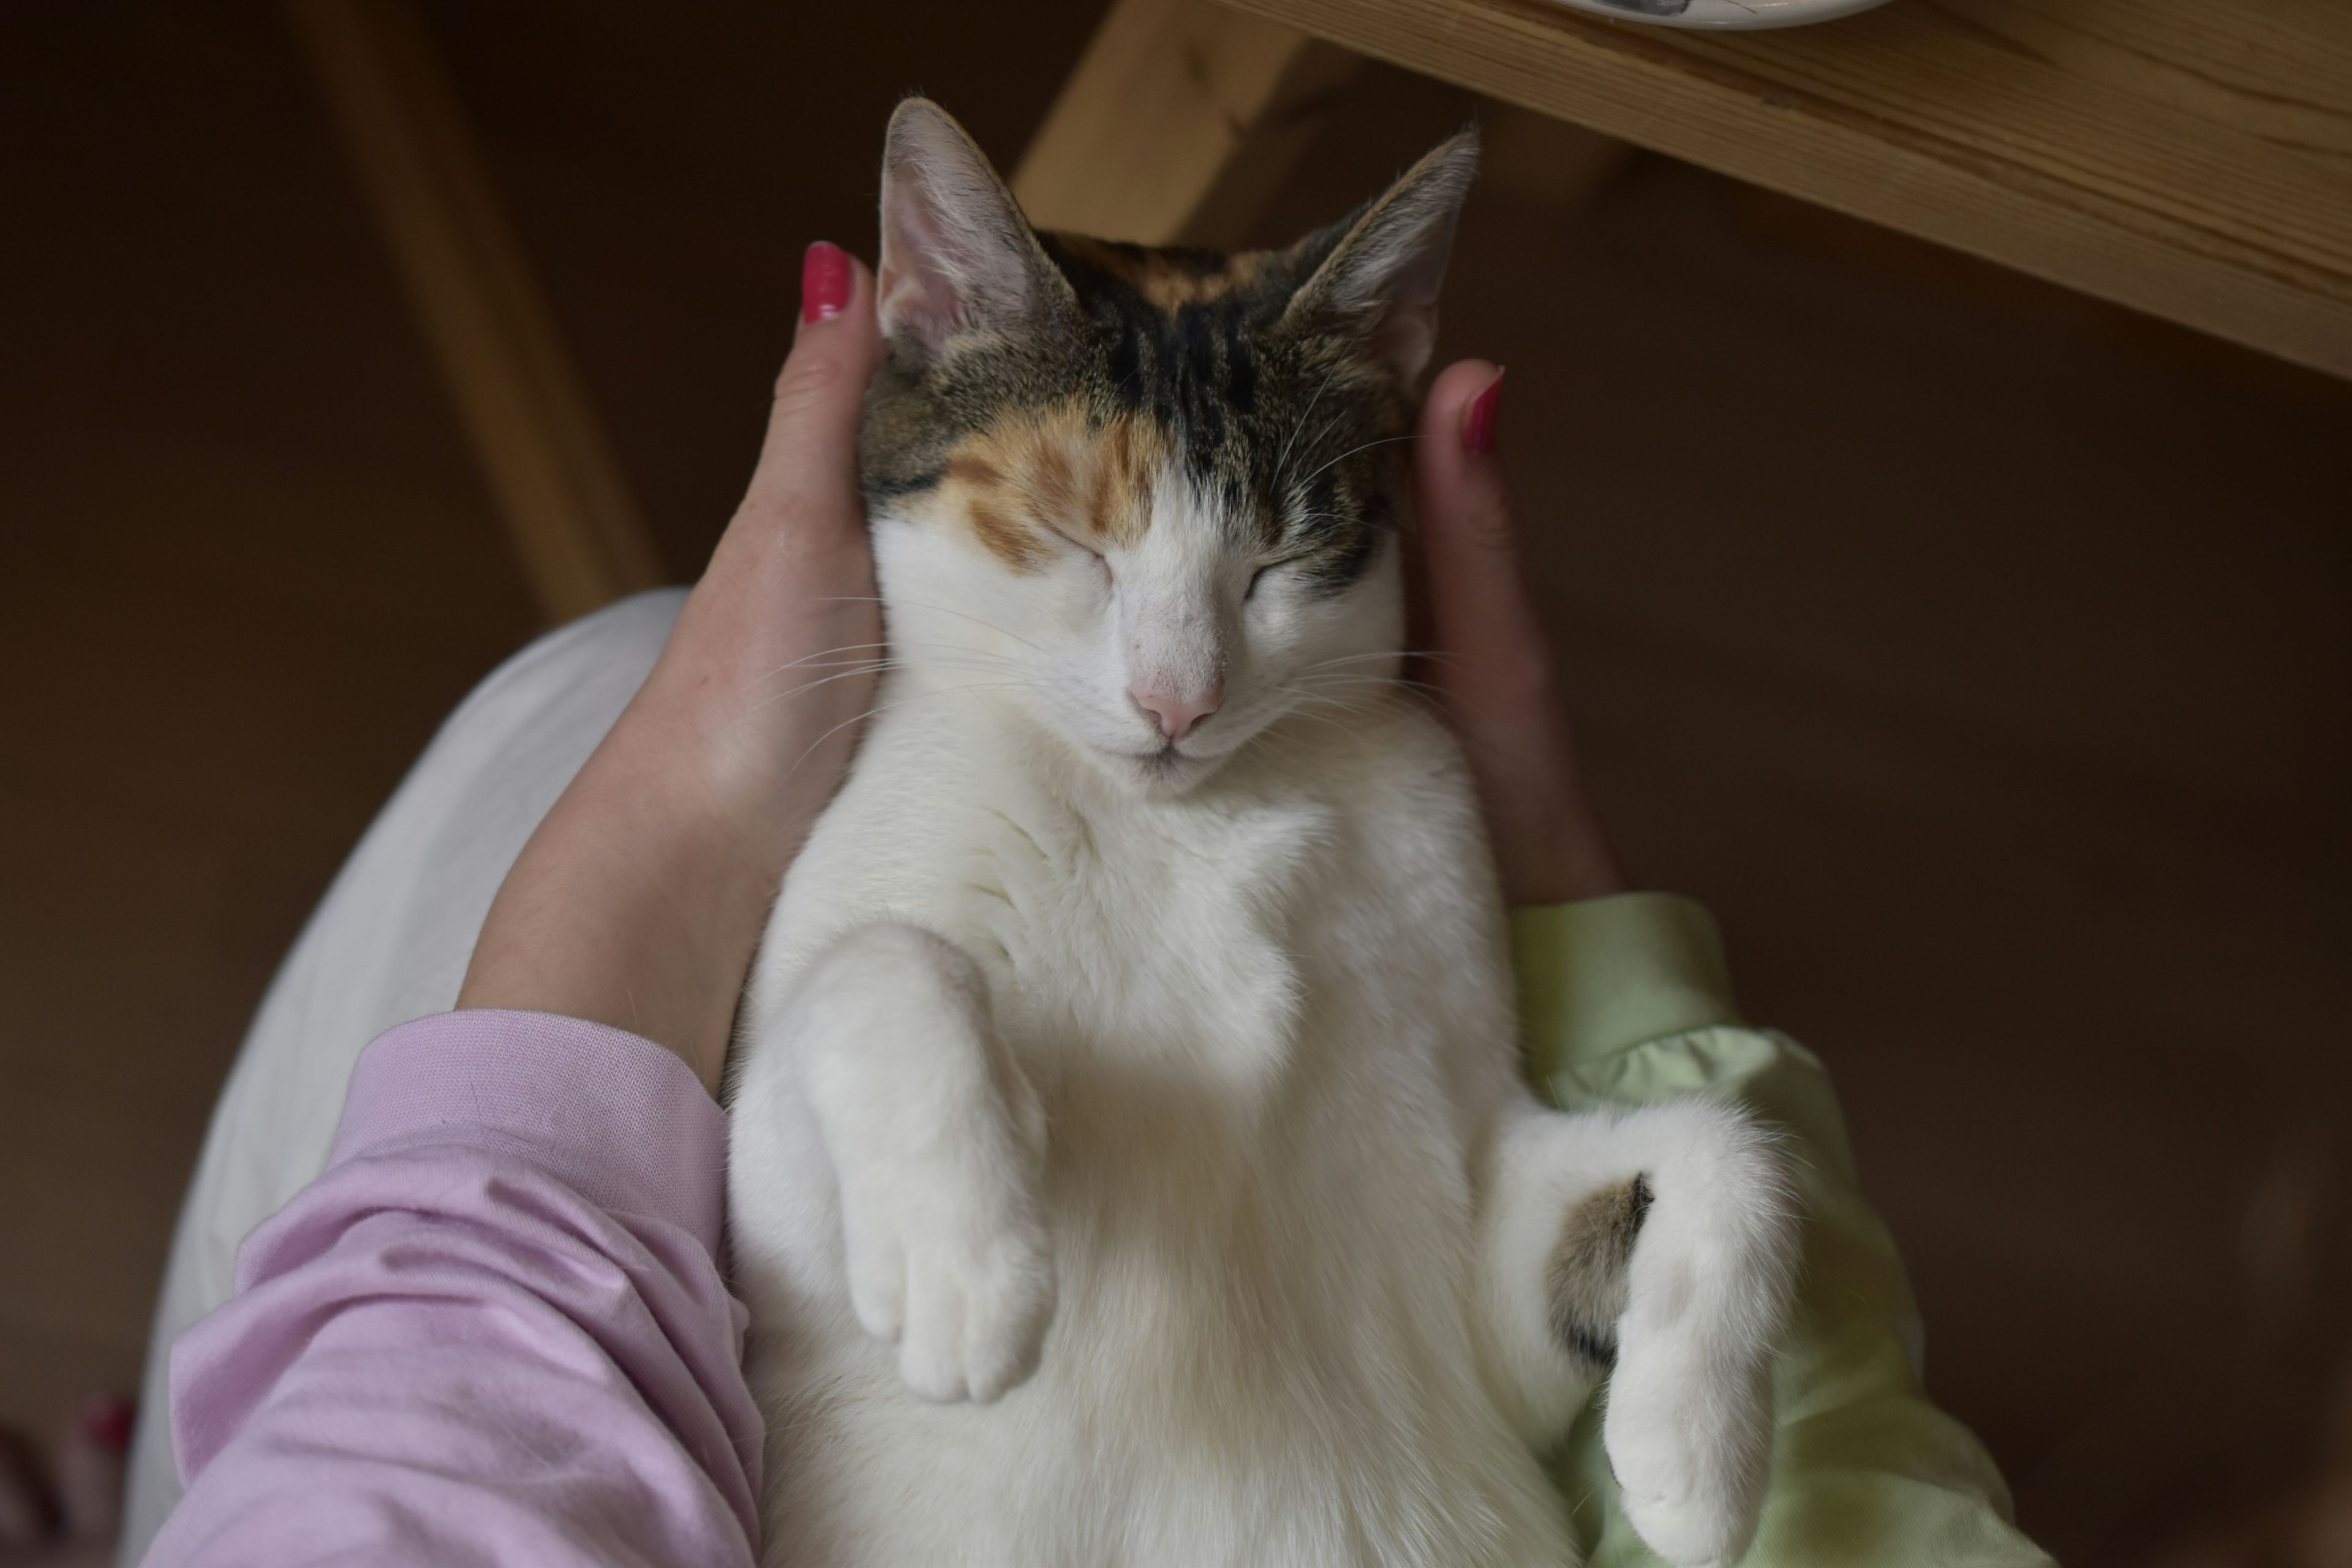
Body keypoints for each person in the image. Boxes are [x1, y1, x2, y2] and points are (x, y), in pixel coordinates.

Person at [123, 244, 2053, 1567]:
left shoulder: (1386, 777)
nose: (1173, 691)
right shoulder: (940, 738)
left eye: (1282, 570)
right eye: (1060, 540)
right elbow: (817, 1227)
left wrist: (1689, 1205)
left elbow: (1468, 1285)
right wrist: (889, 1017)